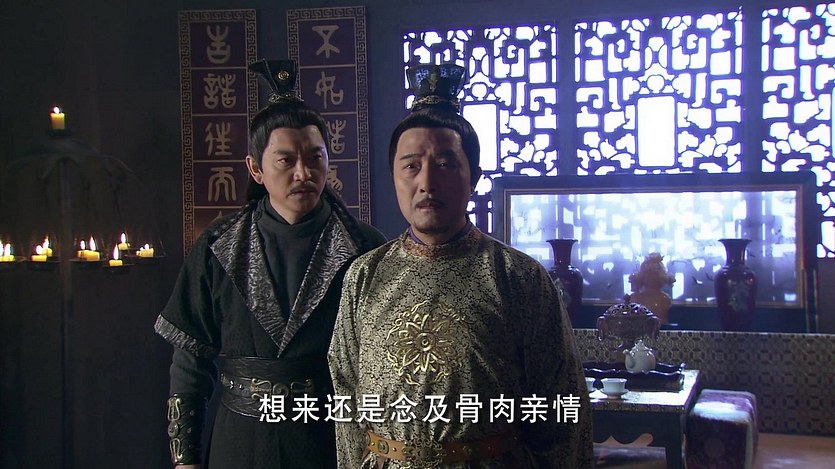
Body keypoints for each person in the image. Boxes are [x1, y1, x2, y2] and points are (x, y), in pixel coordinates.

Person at [328, 63, 593, 468]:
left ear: (474, 178)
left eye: (446, 164)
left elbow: (562, 405)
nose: (427, 182)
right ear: (393, 176)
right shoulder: (365, 275)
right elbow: (346, 397)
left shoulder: (518, 277)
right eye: (411, 166)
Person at [154, 58, 386, 469]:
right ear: (255, 169)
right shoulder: (219, 245)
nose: (303, 173)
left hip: (331, 440)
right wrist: (185, 459)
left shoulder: (365, 248)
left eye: (315, 157)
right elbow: (190, 361)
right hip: (241, 441)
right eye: (285, 161)